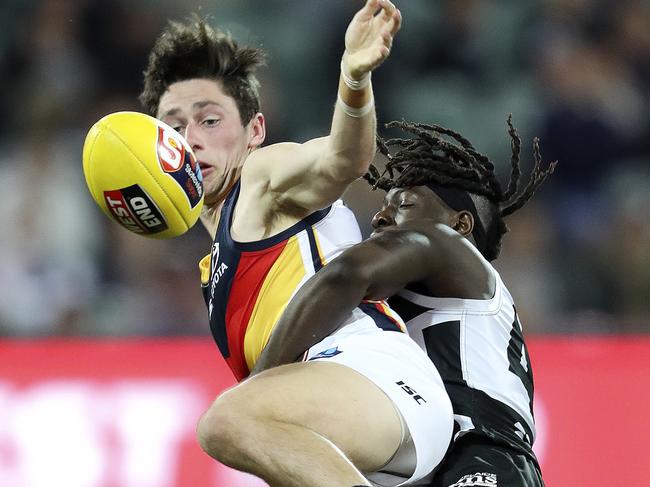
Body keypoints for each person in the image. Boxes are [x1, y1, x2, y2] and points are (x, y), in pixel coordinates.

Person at [140, 3, 456, 487]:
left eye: (208, 120)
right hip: (356, 431)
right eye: (174, 126)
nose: (189, 141)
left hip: (378, 378)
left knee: (226, 421)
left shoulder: (261, 179)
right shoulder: (213, 265)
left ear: (254, 133)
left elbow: (341, 158)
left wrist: (353, 79)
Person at [253, 116, 556, 486]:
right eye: (384, 204)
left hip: (480, 456)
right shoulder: (419, 297)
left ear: (460, 224)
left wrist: (257, 393)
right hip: (429, 467)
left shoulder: (448, 246)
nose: (381, 216)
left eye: (405, 204)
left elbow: (344, 275)